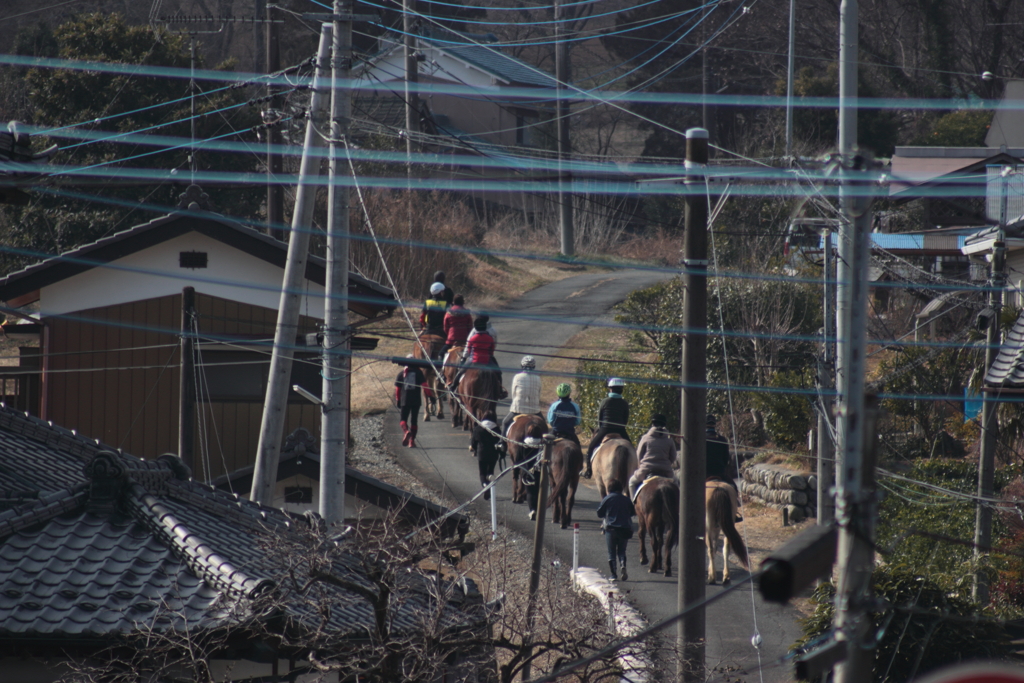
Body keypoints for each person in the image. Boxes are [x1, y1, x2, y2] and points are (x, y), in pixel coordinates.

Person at [583, 377, 630, 478]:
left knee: (591, 447)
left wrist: (602, 428)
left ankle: (588, 470)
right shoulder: (624, 403)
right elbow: (625, 420)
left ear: (611, 389)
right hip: (621, 430)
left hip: (605, 429)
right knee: (631, 448)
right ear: (621, 389)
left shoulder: (605, 401)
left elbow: (600, 418)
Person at [628, 414, 677, 500]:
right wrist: (667, 463)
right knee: (676, 483)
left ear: (652, 424)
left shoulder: (645, 438)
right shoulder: (669, 440)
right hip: (665, 471)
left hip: (646, 470)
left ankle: (632, 505)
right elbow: (673, 456)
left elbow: (639, 455)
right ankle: (679, 506)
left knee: (631, 482)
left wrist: (641, 464)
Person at [596, 480, 634, 581]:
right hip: (624, 528)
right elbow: (633, 512)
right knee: (622, 551)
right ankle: (622, 564)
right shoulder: (626, 499)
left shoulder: (607, 499)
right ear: (621, 488)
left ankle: (613, 575)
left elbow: (599, 513)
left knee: (611, 552)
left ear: (609, 489)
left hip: (610, 528)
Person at [706, 414, 742, 521]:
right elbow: (726, 458)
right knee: (733, 488)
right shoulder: (722, 439)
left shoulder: (698, 439)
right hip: (719, 472)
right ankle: (734, 512)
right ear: (714, 425)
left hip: (704, 473)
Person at [500, 356, 542, 445]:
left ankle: (502, 443)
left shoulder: (517, 377)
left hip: (518, 409)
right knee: (543, 425)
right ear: (533, 366)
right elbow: (538, 394)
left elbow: (513, 394)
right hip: (534, 410)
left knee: (505, 422)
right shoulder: (538, 378)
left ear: (522, 366)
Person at [395, 355, 433, 448]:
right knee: (414, 421)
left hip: (405, 399)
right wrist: (431, 396)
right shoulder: (419, 372)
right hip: (416, 400)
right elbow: (425, 385)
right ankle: (411, 441)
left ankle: (406, 431)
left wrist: (398, 400)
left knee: (403, 419)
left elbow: (398, 389)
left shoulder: (401, 374)